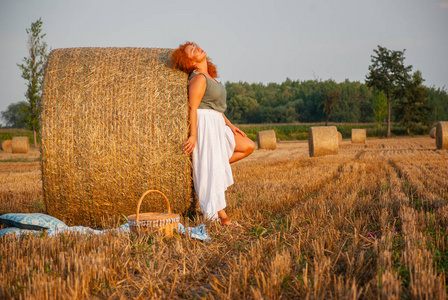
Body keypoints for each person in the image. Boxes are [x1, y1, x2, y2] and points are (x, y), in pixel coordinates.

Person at [170, 42, 254, 226]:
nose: (197, 48)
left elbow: (215, 106)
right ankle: (222, 216)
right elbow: (193, 107)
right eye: (192, 50)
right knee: (210, 169)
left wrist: (230, 125)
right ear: (190, 61)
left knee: (248, 146)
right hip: (205, 125)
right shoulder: (198, 79)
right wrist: (193, 136)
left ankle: (208, 169)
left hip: (216, 122)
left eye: (195, 46)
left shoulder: (209, 77)